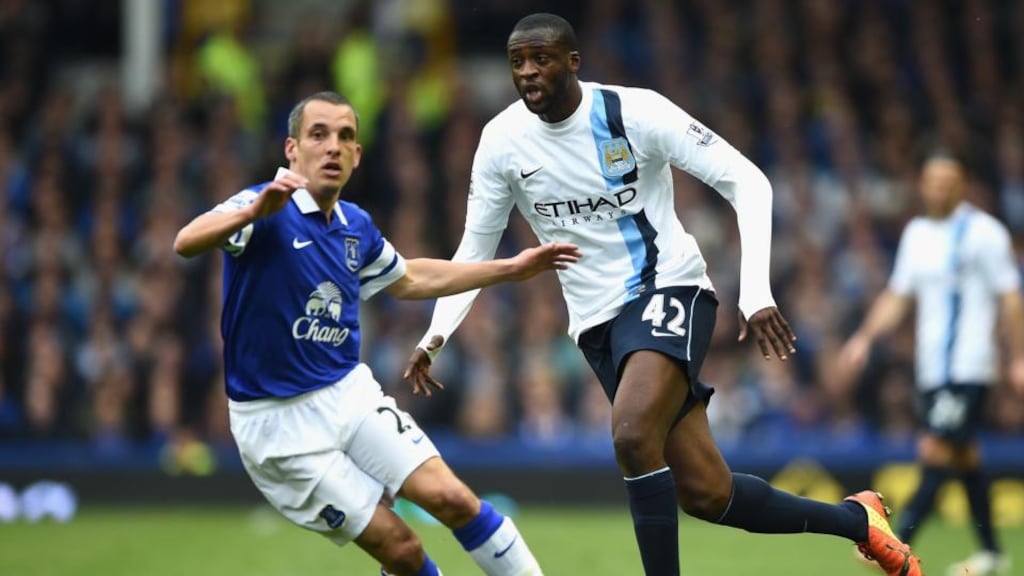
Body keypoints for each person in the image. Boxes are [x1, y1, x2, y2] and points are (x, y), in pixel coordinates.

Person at [403, 13, 923, 576]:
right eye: (517, 62)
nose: (527, 71)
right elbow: (475, 247)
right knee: (708, 493)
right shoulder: (502, 141)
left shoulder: (635, 112)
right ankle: (859, 521)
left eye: (541, 58)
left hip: (668, 286)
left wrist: (756, 290)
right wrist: (436, 333)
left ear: (573, 63)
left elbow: (747, 180)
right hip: (597, 326)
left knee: (630, 433)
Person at [174, 91, 581, 576]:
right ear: (292, 149)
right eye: (318, 135)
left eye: (345, 136)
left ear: (357, 154)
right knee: (403, 549)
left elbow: (411, 278)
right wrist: (250, 214)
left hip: (347, 394)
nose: (332, 146)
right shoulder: (263, 205)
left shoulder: (355, 225)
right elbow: (186, 241)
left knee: (453, 499)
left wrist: (510, 268)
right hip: (277, 425)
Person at [839, 151, 1023, 576]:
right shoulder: (917, 233)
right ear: (923, 186)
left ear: (962, 185)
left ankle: (894, 546)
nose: (940, 189)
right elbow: (898, 295)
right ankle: (992, 553)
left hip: (969, 365)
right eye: (933, 182)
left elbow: (1010, 296)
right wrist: (865, 337)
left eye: (948, 182)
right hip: (932, 369)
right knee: (965, 456)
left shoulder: (984, 232)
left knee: (935, 449)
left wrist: (1017, 357)